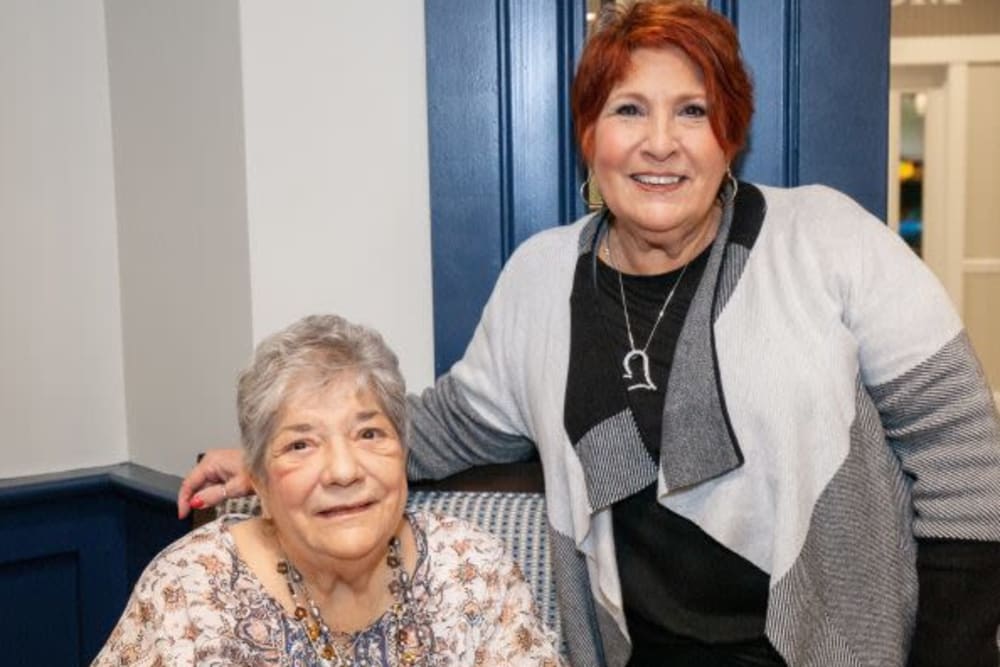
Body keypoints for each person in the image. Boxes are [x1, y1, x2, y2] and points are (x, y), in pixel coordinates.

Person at [178, 2, 1000, 665]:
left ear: (730, 136)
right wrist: (270, 457)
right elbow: (448, 422)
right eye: (628, 110)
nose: (659, 142)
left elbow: (964, 456)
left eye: (693, 112)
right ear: (589, 136)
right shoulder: (541, 277)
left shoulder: (828, 237)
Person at [96, 315, 564, 666]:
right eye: (301, 444)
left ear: (403, 451)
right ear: (257, 477)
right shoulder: (191, 590)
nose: (343, 471)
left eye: (369, 434)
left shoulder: (472, 570)